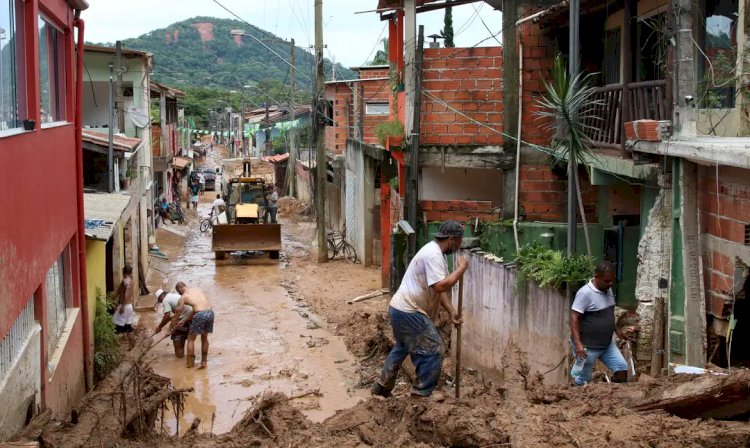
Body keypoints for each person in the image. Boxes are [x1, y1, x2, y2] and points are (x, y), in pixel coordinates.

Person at [372, 220, 468, 399]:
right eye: (460, 241)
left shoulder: (434, 252)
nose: (460, 245)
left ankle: (382, 387)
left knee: (402, 347)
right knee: (434, 348)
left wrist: (451, 312)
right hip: (409, 311)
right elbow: (440, 286)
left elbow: (438, 290)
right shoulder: (433, 255)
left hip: (399, 308)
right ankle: (421, 394)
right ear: (452, 239)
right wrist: (461, 270)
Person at [570, 260, 629, 385]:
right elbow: (574, 318)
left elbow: (609, 313)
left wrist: (617, 331)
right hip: (587, 348)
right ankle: (575, 401)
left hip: (607, 345)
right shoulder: (585, 293)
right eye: (607, 281)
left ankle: (612, 399)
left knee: (622, 370)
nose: (610, 284)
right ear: (597, 277)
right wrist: (578, 345)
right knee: (582, 380)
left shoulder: (608, 290)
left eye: (612, 280)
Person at [174, 282, 214, 369]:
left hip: (200, 315)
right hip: (210, 313)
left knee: (190, 339)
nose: (179, 294)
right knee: (204, 338)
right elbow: (198, 308)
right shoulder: (197, 290)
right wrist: (184, 320)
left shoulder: (183, 297)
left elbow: (177, 314)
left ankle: (190, 364)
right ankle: (204, 362)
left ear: (180, 289)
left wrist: (171, 328)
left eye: (178, 292)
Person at [154, 288, 193, 358]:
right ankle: (187, 360)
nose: (160, 301)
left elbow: (167, 315)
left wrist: (160, 327)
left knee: (177, 340)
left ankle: (179, 360)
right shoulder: (173, 296)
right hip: (191, 317)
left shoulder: (165, 300)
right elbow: (171, 316)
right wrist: (161, 327)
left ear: (160, 297)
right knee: (185, 338)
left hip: (183, 319)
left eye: (159, 300)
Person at [113, 265, 137, 349]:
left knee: (114, 328)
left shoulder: (126, 280)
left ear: (124, 272)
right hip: (129, 306)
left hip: (125, 306)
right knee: (128, 328)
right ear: (131, 272)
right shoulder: (130, 281)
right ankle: (133, 348)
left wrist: (122, 305)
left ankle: (114, 350)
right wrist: (111, 299)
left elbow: (126, 293)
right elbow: (118, 291)